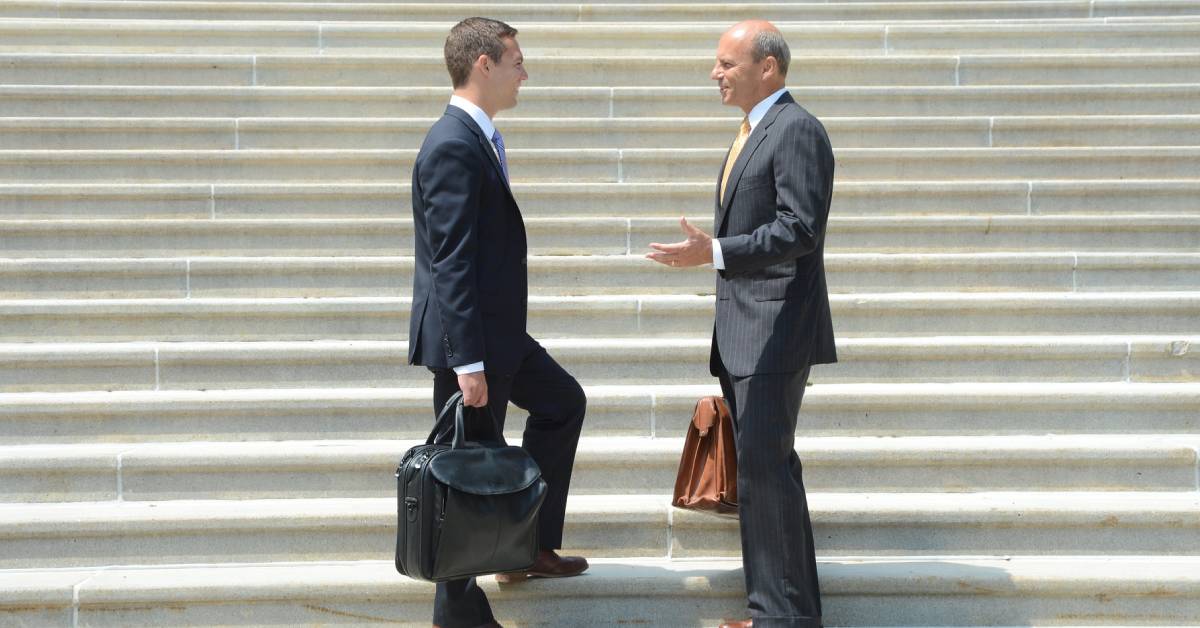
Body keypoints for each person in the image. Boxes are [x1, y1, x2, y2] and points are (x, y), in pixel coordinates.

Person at [646, 19, 837, 628]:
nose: (715, 73)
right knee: (767, 471)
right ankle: (787, 610)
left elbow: (800, 228)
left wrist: (717, 251)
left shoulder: (796, 129)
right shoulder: (755, 130)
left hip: (776, 329)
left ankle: (778, 616)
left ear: (769, 68)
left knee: (764, 472)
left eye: (728, 63)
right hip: (747, 330)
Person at [407, 17, 589, 628]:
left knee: (563, 403)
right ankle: (456, 612)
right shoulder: (453, 142)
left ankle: (527, 547)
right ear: (483, 64)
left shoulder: (475, 136)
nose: (524, 73)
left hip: (500, 335)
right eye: (516, 61)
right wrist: (467, 361)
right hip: (475, 341)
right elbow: (449, 259)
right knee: (466, 469)